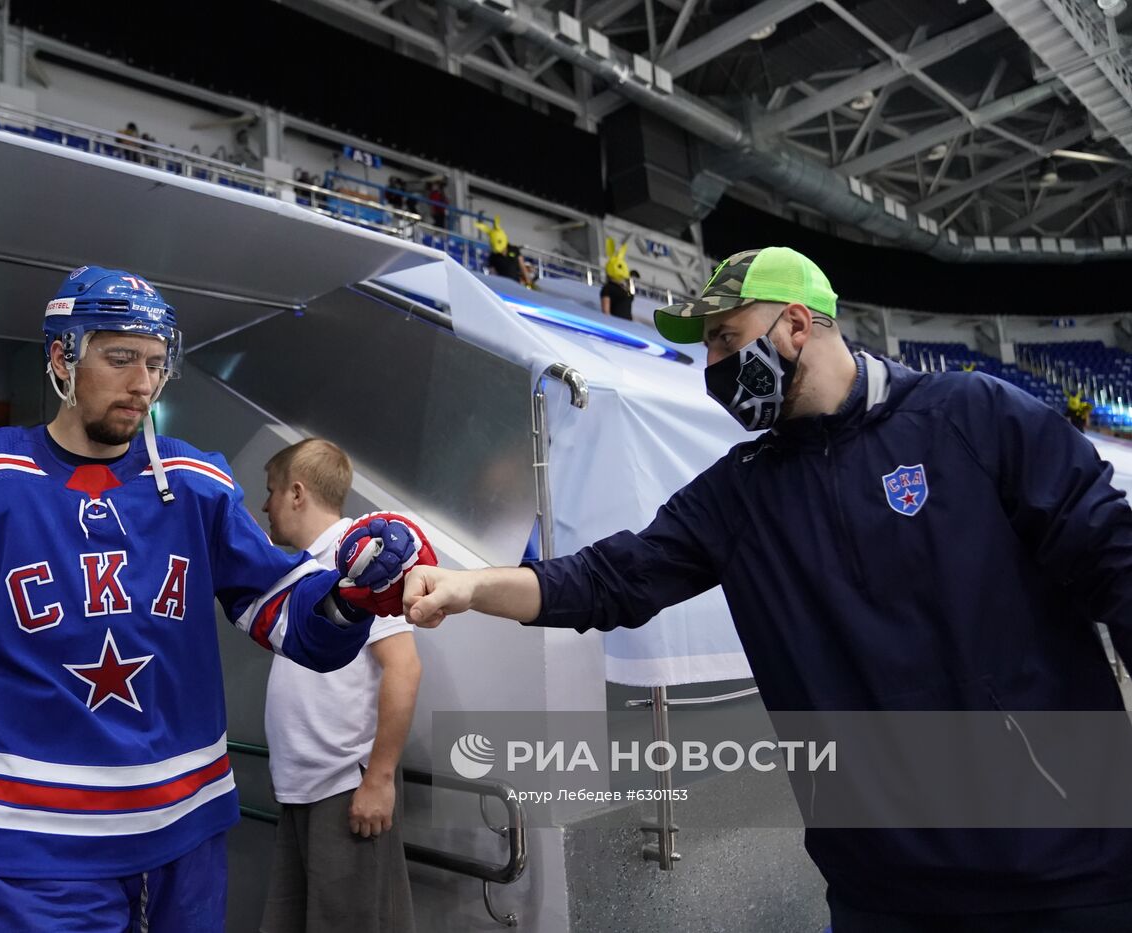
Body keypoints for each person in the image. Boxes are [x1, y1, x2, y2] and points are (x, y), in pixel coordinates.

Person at [401, 246, 1132, 931]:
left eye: (724, 338)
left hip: (1064, 866)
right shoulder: (739, 496)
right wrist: (470, 588)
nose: (713, 363)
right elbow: (608, 579)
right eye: (708, 347)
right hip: (882, 891)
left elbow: (1114, 558)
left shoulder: (972, 418)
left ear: (795, 324)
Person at [0, 266, 432, 933]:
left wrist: (353, 596)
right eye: (121, 357)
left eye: (156, 363)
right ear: (61, 357)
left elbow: (292, 622)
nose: (143, 384)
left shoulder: (197, 483)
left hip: (186, 834)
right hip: (35, 848)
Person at [258, 439, 420, 933]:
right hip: (302, 787)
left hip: (344, 788)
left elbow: (404, 668)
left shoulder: (362, 561)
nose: (264, 505)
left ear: (297, 493)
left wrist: (379, 780)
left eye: (271, 492)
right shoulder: (306, 565)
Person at [476, 216, 535, 288]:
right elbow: (492, 272)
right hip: (503, 285)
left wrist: (529, 282)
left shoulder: (514, 249)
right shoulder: (493, 256)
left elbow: (522, 267)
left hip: (516, 283)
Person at [599, 237, 634, 321]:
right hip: (617, 323)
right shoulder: (608, 288)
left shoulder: (625, 289)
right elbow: (605, 311)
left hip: (628, 325)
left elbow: (628, 305)